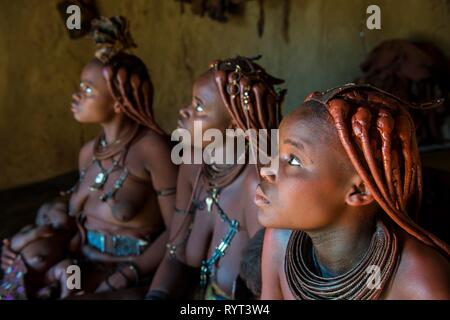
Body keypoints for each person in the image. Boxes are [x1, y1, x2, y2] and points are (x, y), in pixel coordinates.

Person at [1, 16, 177, 297]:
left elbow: (179, 232)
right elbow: (75, 222)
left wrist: (124, 277)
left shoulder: (153, 149)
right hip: (79, 269)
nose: (76, 97)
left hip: (130, 275)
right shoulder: (89, 152)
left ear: (118, 102)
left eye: (87, 90)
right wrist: (19, 246)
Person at [257, 84, 450, 300]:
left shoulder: (419, 282)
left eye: (293, 160)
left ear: (360, 189)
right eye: (276, 152)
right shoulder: (280, 242)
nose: (266, 170)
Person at [146, 56, 286, 300]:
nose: (184, 111)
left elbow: (265, 292)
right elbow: (173, 252)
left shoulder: (257, 186)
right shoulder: (192, 165)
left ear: (235, 125)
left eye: (199, 107)